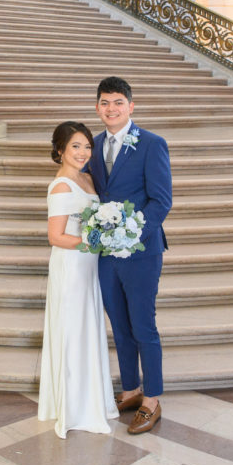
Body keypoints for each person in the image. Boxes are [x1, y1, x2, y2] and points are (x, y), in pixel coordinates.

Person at [88, 76, 172, 434]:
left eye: (118, 102)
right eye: (105, 103)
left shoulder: (152, 144)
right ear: (97, 107)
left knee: (143, 325)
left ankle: (152, 399)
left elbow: (161, 201)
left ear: (131, 106)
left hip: (140, 251)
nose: (111, 109)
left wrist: (132, 234)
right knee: (119, 327)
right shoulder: (90, 146)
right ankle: (131, 389)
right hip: (106, 254)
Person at [38, 121, 119, 438]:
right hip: (72, 266)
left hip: (89, 267)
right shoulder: (61, 186)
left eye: (87, 146)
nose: (83, 152)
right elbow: (55, 237)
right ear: (60, 150)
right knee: (73, 331)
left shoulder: (87, 178)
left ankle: (91, 399)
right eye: (75, 146)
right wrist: (92, 243)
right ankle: (74, 408)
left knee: (89, 328)